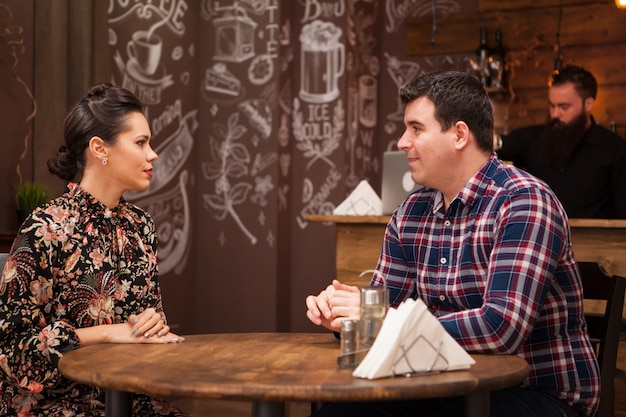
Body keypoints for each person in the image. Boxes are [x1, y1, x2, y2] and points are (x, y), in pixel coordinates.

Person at [305, 71, 600, 417]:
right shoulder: (410, 213)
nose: (402, 142)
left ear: (459, 134)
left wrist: (381, 319)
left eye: (416, 129)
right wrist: (347, 314)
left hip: (537, 393)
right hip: (439, 384)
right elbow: (385, 312)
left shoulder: (523, 202)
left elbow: (501, 328)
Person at [0, 83, 187, 416]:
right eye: (141, 142)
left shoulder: (141, 225)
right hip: (58, 404)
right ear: (100, 148)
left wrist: (151, 324)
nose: (153, 154)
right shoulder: (45, 227)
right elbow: (15, 354)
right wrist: (107, 334)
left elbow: (147, 326)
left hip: (132, 399)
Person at [494, 64, 626, 219]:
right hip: (538, 237)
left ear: (588, 104)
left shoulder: (614, 149)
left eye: (564, 107)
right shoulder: (533, 138)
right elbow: (497, 145)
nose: (555, 114)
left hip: (593, 241)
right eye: (551, 106)